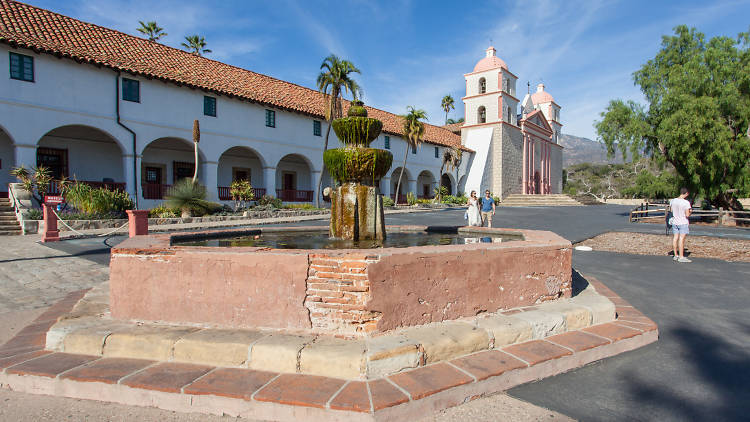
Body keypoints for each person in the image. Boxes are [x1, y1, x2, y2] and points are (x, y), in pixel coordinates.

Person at [670, 187, 693, 263]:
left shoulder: (673, 201)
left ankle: (675, 255)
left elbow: (671, 211)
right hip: (682, 222)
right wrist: (691, 211)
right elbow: (687, 215)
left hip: (675, 221)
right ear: (686, 193)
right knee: (681, 239)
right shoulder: (686, 203)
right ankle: (681, 256)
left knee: (675, 237)